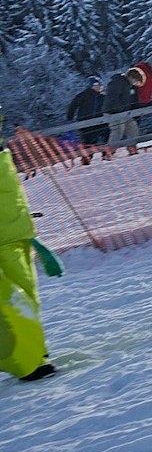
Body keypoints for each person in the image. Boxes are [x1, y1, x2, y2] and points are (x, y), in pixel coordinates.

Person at [1, 147, 60, 382]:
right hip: (12, 231)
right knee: (10, 303)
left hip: (14, 231)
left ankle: (34, 353)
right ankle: (28, 361)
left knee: (25, 297)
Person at [64, 78, 104, 146]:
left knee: (101, 137)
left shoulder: (102, 96)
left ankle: (105, 151)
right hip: (85, 122)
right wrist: (69, 119)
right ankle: (88, 151)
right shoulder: (83, 95)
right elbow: (73, 106)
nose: (99, 87)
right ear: (91, 86)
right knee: (89, 141)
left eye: (100, 85)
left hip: (98, 122)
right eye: (97, 85)